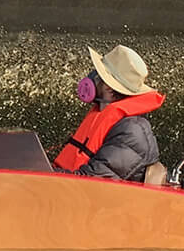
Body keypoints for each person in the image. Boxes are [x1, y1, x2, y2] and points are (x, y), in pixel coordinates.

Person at [53, 44, 163, 181]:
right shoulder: (107, 118)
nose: (91, 78)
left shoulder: (132, 133)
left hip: (88, 190)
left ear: (109, 90)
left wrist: (44, 173)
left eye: (98, 76)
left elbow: (91, 181)